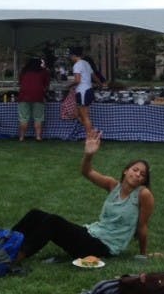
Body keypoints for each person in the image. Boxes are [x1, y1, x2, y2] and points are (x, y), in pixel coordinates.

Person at [13, 130, 154, 261]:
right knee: (35, 214)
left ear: (144, 180)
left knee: (53, 222)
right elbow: (87, 172)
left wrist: (143, 254)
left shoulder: (143, 194)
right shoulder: (113, 185)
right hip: (91, 233)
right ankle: (6, 242)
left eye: (142, 174)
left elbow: (142, 226)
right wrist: (88, 155)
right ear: (125, 171)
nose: (138, 175)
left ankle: (16, 257)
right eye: (135, 170)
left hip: (105, 246)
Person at [17, 57, 50, 142]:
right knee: (38, 117)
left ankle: (21, 137)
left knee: (23, 117)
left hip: (24, 96)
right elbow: (46, 85)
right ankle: (38, 136)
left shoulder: (24, 71)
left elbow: (20, 82)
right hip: (38, 96)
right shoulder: (44, 72)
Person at [70, 46, 97, 136]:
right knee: (78, 114)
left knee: (85, 116)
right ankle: (93, 132)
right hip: (88, 90)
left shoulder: (77, 65)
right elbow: (93, 76)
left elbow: (77, 80)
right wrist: (101, 84)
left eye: (71, 56)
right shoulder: (86, 63)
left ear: (74, 55)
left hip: (82, 92)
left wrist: (68, 85)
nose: (71, 58)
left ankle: (91, 137)